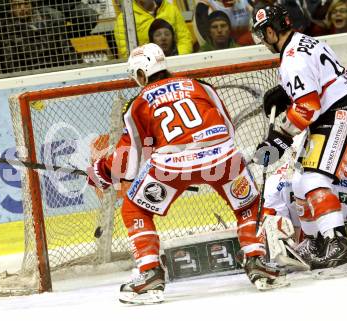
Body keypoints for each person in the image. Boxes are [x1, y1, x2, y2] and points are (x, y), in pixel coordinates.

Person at [86, 42, 284, 304]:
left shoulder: (138, 103)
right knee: (247, 204)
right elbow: (228, 127)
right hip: (223, 157)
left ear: (142, 73)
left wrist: (101, 171)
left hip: (172, 167)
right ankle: (257, 262)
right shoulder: (200, 85)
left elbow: (128, 160)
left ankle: (150, 275)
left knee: (135, 209)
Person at [252, 4, 347, 269]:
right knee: (299, 177)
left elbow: (307, 106)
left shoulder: (292, 58)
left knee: (314, 177)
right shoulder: (305, 41)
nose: (262, 41)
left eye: (262, 34)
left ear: (271, 31)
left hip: (343, 110)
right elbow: (319, 80)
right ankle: (316, 240)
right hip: (337, 107)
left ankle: (338, 241)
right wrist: (285, 92)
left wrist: (280, 135)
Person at [263, 161, 347, 267]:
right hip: (308, 243)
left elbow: (277, 229)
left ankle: (335, 242)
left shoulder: (275, 181)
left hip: (322, 244)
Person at [1, 0, 81, 72]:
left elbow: (66, 48)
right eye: (18, 5)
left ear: (31, 4)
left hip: (57, 67)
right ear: (11, 7)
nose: (22, 8)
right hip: (30, 71)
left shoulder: (49, 19)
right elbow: (10, 61)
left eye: (26, 3)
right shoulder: (6, 28)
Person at [113, 0, 193, 59]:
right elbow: (126, 52)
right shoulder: (124, 19)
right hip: (147, 69)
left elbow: (184, 38)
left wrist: (178, 58)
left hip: (175, 61)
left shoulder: (171, 9)